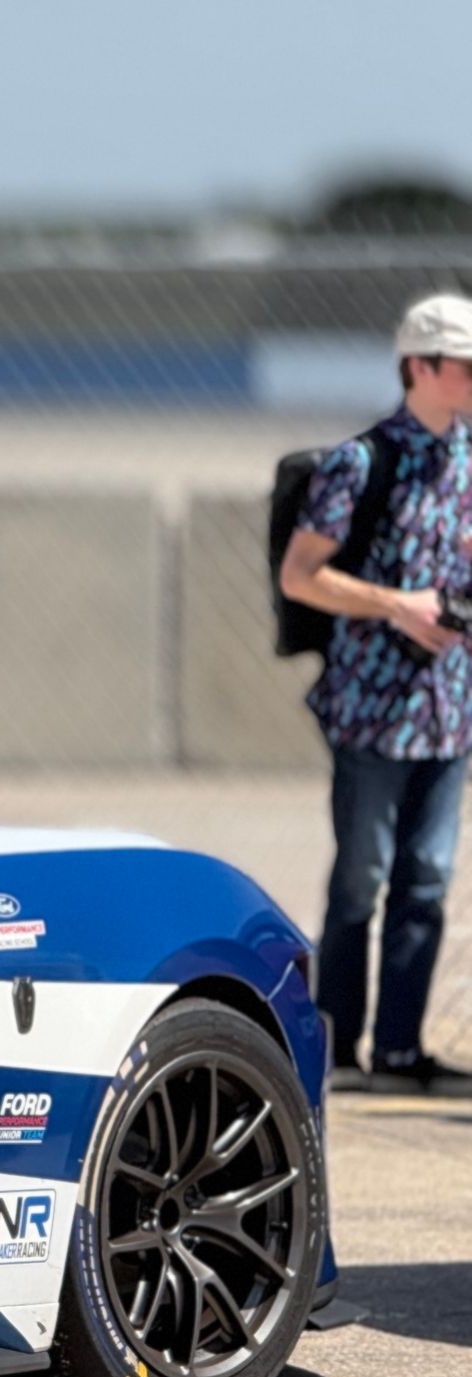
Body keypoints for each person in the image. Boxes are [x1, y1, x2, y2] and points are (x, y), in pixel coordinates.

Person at [279, 292, 472, 1093]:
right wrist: (398, 603)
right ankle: (339, 1046)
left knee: (427, 880)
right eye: (463, 363)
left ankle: (399, 1050)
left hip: (450, 709)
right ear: (419, 366)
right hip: (371, 707)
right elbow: (302, 574)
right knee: (361, 875)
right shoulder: (360, 461)